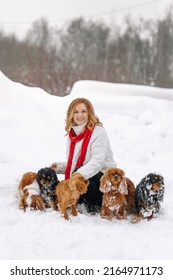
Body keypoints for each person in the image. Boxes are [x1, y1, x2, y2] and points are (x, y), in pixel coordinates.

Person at [50, 97, 117, 213]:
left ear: (89, 113)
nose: (79, 115)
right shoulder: (73, 135)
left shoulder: (98, 132)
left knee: (79, 174)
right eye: (76, 111)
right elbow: (78, 163)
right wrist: (59, 167)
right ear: (71, 114)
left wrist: (78, 174)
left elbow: (97, 162)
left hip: (104, 180)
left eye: (83, 111)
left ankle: (94, 205)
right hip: (88, 175)